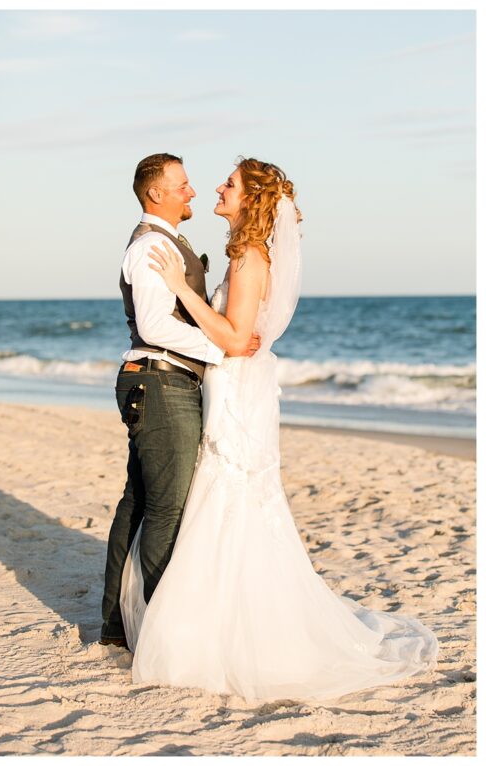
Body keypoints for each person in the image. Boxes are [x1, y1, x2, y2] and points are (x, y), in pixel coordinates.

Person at [121, 158, 438, 701]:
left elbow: (235, 336)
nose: (218, 187)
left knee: (231, 498)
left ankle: (226, 634)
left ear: (250, 199)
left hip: (238, 388)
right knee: (221, 501)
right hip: (236, 385)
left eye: (230, 183)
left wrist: (182, 288)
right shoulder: (243, 253)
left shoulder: (248, 256)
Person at [100, 153, 257, 648]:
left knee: (141, 502)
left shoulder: (166, 241)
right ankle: (155, 630)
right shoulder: (149, 245)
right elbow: (154, 325)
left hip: (157, 381)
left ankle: (116, 623)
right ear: (156, 194)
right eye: (182, 185)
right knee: (166, 508)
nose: (192, 192)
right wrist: (219, 348)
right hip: (160, 381)